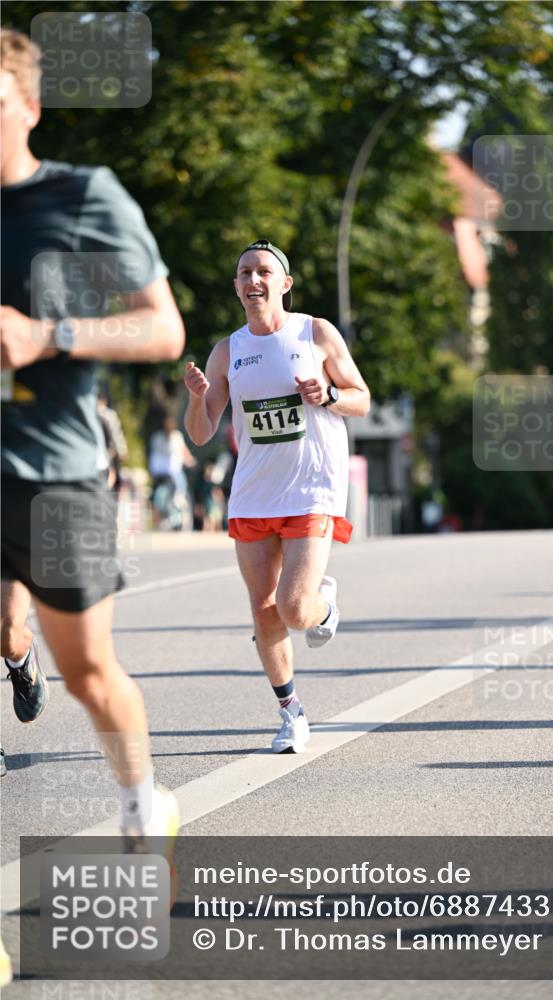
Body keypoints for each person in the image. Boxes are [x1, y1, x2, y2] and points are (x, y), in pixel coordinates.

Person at [0, 29, 184, 846]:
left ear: (29, 107)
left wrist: (51, 337)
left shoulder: (80, 196)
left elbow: (162, 329)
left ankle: (145, 799)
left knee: (88, 674)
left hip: (52, 473)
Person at [184, 239, 370, 752]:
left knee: (293, 608)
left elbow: (362, 398)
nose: (253, 280)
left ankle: (322, 607)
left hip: (312, 488)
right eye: (244, 272)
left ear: (284, 284)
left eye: (264, 271)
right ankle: (291, 712)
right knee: (263, 608)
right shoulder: (228, 350)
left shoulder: (315, 333)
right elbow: (201, 432)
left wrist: (329, 395)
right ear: (237, 285)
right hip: (252, 495)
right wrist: (198, 399)